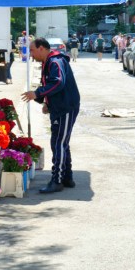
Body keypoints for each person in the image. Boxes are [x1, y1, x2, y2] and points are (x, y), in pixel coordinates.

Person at [20, 38, 80, 193]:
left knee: (58, 143)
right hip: (60, 106)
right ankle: (67, 178)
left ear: (41, 48)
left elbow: (58, 82)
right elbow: (52, 84)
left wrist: (37, 93)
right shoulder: (49, 62)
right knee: (61, 142)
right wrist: (46, 102)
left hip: (66, 107)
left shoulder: (55, 62)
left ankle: (57, 180)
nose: (31, 54)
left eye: (32, 50)